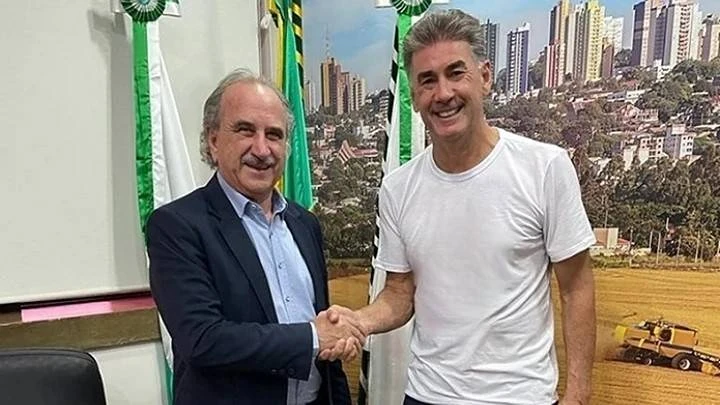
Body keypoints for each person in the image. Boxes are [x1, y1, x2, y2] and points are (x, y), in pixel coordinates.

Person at [324, 9, 597, 405]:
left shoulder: (545, 167)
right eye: (427, 80)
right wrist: (357, 321)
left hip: (520, 397)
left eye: (456, 73)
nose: (443, 93)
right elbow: (400, 292)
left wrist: (578, 396)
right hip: (426, 396)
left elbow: (577, 287)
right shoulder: (398, 189)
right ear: (414, 96)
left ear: (484, 77)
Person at [147, 69, 363, 405]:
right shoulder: (177, 226)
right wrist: (313, 337)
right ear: (213, 141)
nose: (262, 149)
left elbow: (323, 339)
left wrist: (332, 340)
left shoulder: (305, 223)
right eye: (245, 130)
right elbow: (203, 339)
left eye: (274, 135)